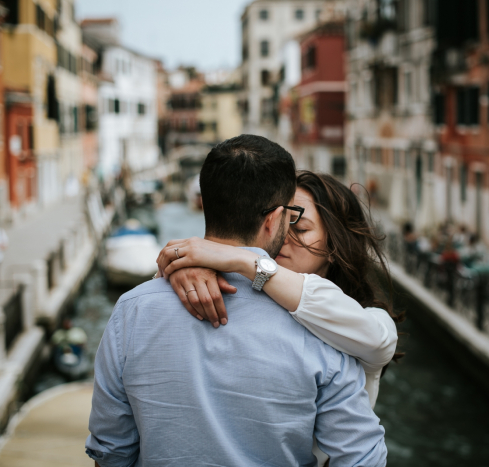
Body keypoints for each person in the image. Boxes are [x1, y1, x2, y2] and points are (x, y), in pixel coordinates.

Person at [86, 135, 388, 467]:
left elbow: (110, 451)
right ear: (274, 219)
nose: (287, 236)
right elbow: (362, 458)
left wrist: (220, 262)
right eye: (290, 220)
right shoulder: (322, 336)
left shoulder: (131, 312)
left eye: (299, 227)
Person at [157, 170, 401, 466]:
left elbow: (376, 340)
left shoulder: (371, 321)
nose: (283, 238)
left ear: (335, 247)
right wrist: (184, 268)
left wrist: (240, 258)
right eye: (283, 224)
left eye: (301, 229)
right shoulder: (239, 287)